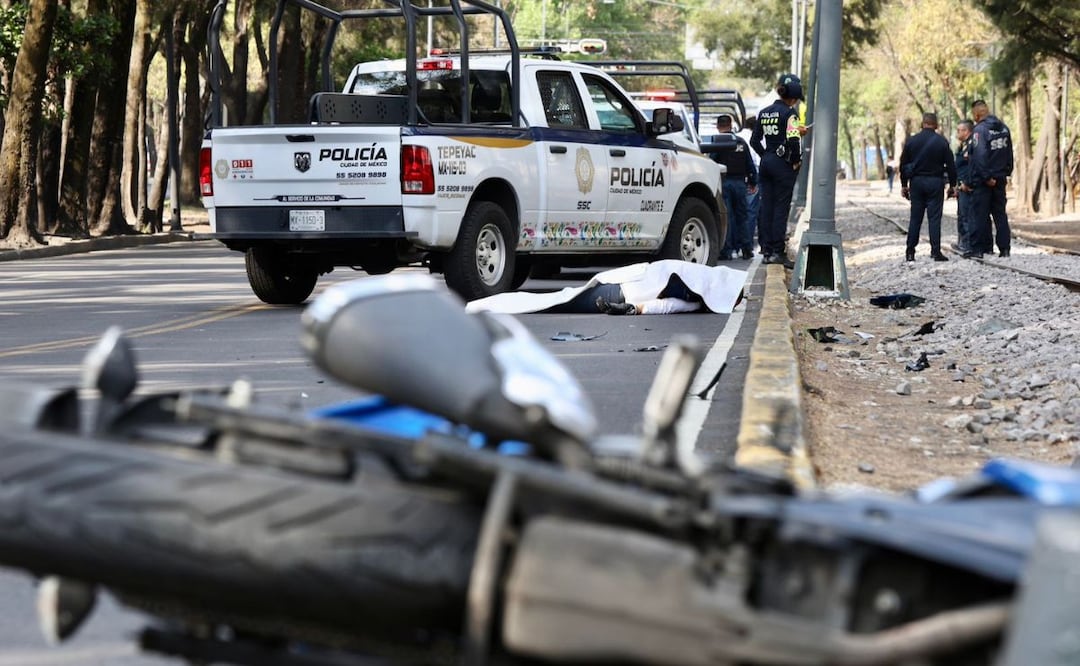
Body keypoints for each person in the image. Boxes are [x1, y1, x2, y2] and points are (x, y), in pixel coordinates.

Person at [465, 260, 747, 315]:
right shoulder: (694, 283)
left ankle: (488, 304)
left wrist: (634, 309)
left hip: (620, 289)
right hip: (620, 287)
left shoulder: (697, 286)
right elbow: (667, 305)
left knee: (557, 301)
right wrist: (634, 307)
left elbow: (666, 305)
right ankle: (488, 304)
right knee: (556, 301)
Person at [750, 73, 809, 268]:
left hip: (766, 164)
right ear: (794, 97)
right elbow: (793, 140)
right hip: (782, 166)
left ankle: (766, 250)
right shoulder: (790, 114)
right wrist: (795, 160)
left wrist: (767, 154)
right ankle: (777, 251)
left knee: (766, 206)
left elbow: (754, 140)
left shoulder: (765, 112)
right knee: (781, 208)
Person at [898, 112, 957, 262]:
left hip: (916, 183)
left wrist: (904, 185)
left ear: (922, 123)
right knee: (935, 218)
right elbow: (951, 165)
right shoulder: (942, 142)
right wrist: (952, 185)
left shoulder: (912, 141)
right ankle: (935, 252)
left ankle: (910, 252)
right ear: (936, 125)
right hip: (935, 183)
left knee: (915, 218)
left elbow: (903, 164)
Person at [968, 99, 1014, 258]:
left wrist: (987, 177)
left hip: (984, 180)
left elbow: (979, 157)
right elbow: (1009, 153)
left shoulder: (979, 131)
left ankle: (978, 250)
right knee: (1000, 214)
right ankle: (1005, 249)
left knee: (980, 214)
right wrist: (1006, 172)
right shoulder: (1004, 128)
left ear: (977, 114)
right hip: (1000, 177)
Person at [711, 114, 758, 260]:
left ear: (718, 126)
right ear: (731, 125)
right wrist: (753, 182)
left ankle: (726, 250)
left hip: (724, 183)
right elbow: (750, 164)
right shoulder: (741, 142)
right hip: (740, 183)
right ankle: (746, 249)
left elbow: (712, 163)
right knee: (742, 216)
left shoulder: (718, 142)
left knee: (727, 216)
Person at [737, 115, 762, 250]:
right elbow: (754, 161)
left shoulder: (736, 137)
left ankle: (735, 243)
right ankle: (747, 244)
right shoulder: (755, 139)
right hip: (751, 176)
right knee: (751, 211)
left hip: (735, 177)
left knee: (736, 211)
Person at [953, 119, 975, 255]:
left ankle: (967, 244)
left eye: (959, 130)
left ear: (966, 131)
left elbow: (971, 166)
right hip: (961, 185)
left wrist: (966, 183)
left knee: (966, 216)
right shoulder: (963, 145)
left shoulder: (971, 145)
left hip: (967, 186)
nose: (957, 133)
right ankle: (963, 242)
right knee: (962, 215)